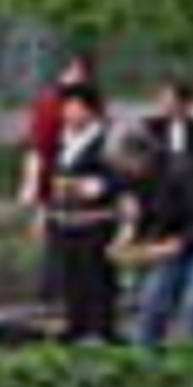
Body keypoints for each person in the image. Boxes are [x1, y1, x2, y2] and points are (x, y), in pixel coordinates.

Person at [110, 131, 193, 346]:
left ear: (142, 157)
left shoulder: (182, 171)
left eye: (126, 164)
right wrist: (126, 239)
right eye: (120, 166)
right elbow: (140, 214)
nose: (123, 170)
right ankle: (141, 358)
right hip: (176, 239)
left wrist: (168, 248)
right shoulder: (134, 177)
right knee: (153, 298)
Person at [45, 82, 122, 343]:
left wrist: (74, 186)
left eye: (74, 107)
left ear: (91, 111)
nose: (68, 112)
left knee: (97, 279)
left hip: (96, 222)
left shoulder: (104, 140)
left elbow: (109, 183)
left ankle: (101, 332)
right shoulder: (65, 140)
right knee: (71, 279)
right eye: (65, 107)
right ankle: (76, 327)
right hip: (66, 221)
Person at [19, 54, 97, 302]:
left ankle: (68, 298)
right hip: (55, 186)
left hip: (78, 189)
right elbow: (36, 148)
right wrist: (32, 186)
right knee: (55, 243)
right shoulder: (49, 104)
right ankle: (51, 298)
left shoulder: (92, 106)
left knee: (71, 246)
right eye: (70, 72)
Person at [146, 80, 193, 178]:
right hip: (157, 183)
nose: (162, 104)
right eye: (161, 100)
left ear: (184, 103)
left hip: (189, 183)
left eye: (168, 100)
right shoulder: (150, 127)